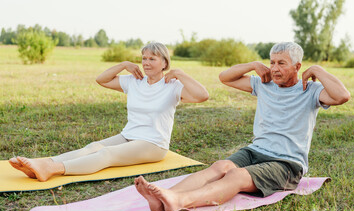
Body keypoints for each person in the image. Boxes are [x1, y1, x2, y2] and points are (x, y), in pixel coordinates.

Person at [135, 42, 351, 211]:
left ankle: (179, 201)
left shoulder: (310, 90)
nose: (274, 68)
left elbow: (342, 96)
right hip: (255, 151)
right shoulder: (263, 84)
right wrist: (253, 65)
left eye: (282, 63)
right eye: (272, 62)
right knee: (220, 167)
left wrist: (317, 69)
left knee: (236, 177)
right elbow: (225, 77)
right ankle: (163, 196)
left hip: (286, 163)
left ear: (297, 67)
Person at [9, 42, 209, 182]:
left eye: (152, 59)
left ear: (165, 62)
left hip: (153, 144)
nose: (146, 63)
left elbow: (202, 95)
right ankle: (42, 163)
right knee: (93, 146)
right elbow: (101, 79)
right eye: (144, 58)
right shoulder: (134, 81)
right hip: (128, 136)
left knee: (107, 154)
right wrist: (123, 65)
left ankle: (51, 170)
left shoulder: (172, 86)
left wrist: (181, 73)